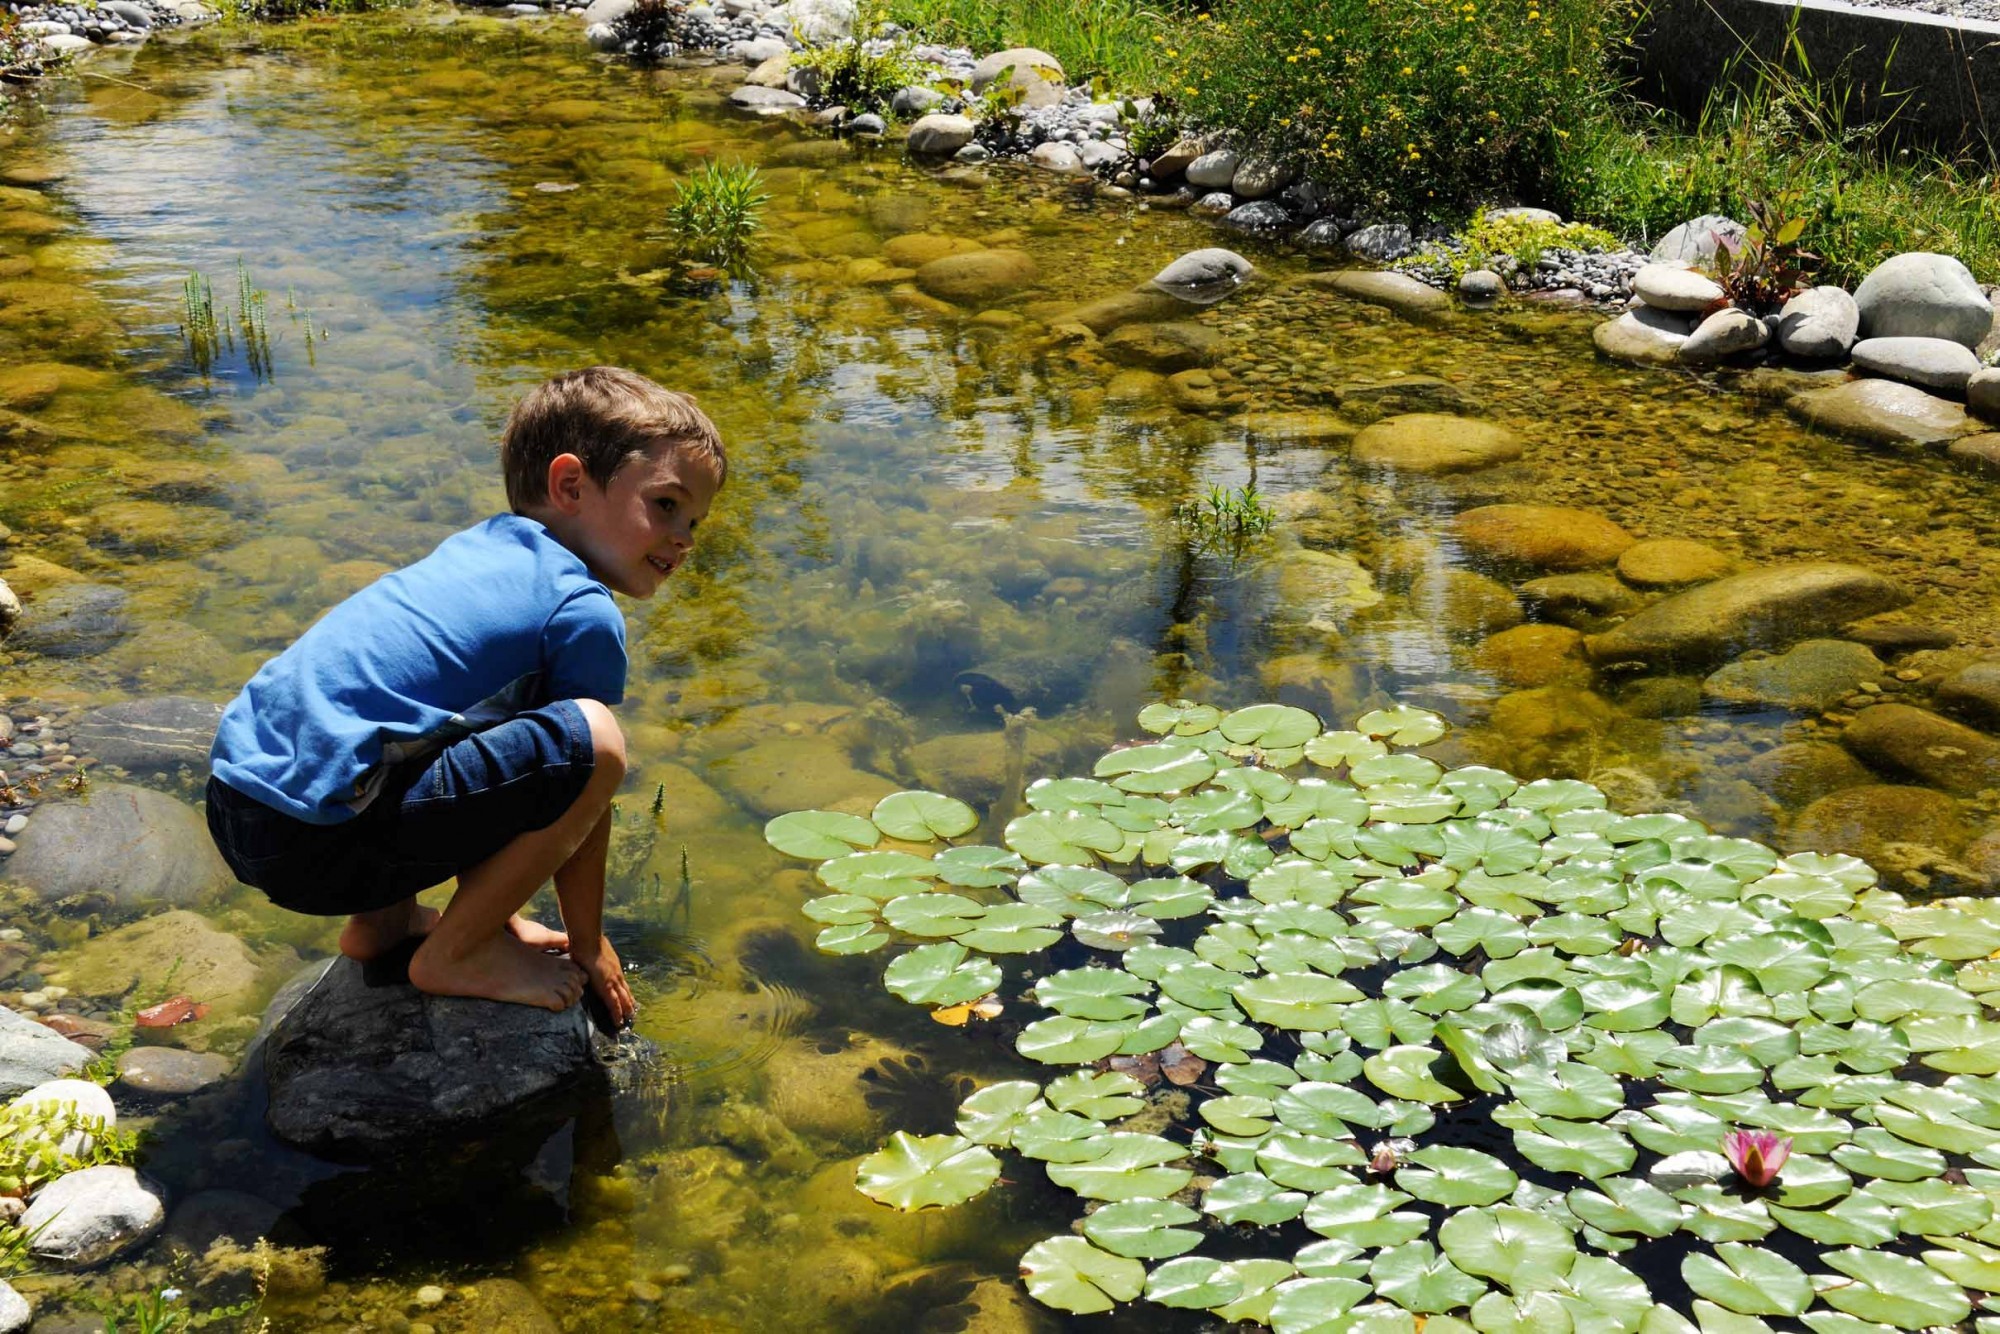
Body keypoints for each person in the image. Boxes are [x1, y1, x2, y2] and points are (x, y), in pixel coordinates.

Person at [205, 366, 725, 1025]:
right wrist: (588, 945)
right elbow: (579, 796)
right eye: (667, 505)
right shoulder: (580, 608)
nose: (684, 539)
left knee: (427, 718)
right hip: (314, 841)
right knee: (594, 740)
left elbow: (473, 751)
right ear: (570, 485)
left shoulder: (483, 547)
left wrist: (504, 910)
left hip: (239, 803)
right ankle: (455, 952)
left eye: (697, 522)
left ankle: (385, 927)